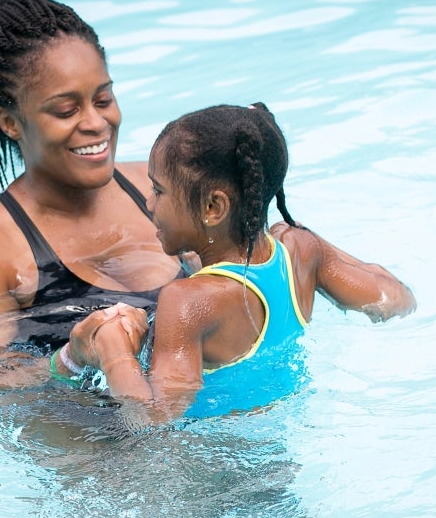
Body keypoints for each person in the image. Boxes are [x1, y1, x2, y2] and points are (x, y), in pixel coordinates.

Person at [75, 102, 416, 425]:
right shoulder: (301, 250)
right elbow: (393, 300)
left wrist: (113, 350)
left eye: (159, 191)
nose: (149, 203)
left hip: (209, 470)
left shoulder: (187, 301)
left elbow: (153, 420)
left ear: (213, 208)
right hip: (280, 456)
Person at [0, 0, 180, 388]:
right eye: (66, 110)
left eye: (103, 98)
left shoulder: (159, 184)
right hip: (90, 443)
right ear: (9, 122)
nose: (96, 122)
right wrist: (71, 360)